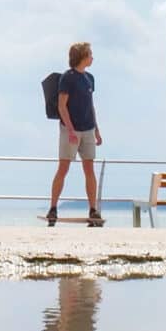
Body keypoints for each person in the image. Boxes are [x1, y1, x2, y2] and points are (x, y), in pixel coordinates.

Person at [44, 40, 103, 227]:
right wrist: (70, 130)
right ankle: (53, 208)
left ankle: (93, 210)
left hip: (88, 129)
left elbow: (90, 105)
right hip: (70, 129)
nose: (92, 57)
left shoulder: (90, 78)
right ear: (82, 57)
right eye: (90, 54)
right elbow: (62, 106)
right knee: (63, 168)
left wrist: (97, 130)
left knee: (89, 170)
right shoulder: (67, 78)